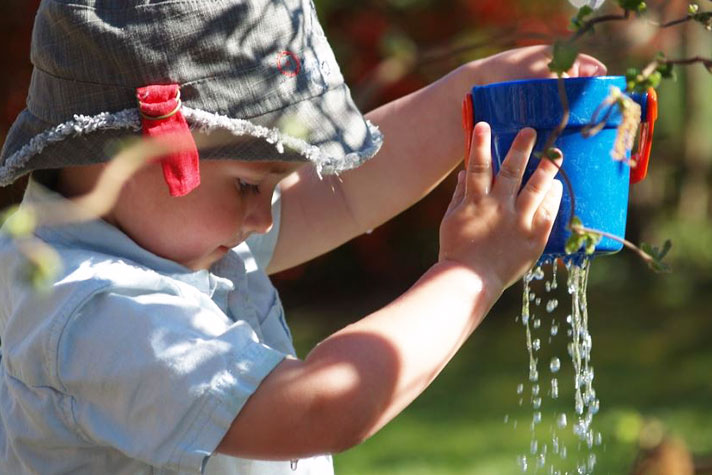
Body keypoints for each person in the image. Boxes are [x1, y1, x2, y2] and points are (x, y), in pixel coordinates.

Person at [0, 0, 605, 473]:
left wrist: (470, 96)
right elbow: (320, 406)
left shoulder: (162, 235)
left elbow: (349, 192)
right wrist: (475, 270)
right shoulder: (94, 310)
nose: (263, 218)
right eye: (247, 186)